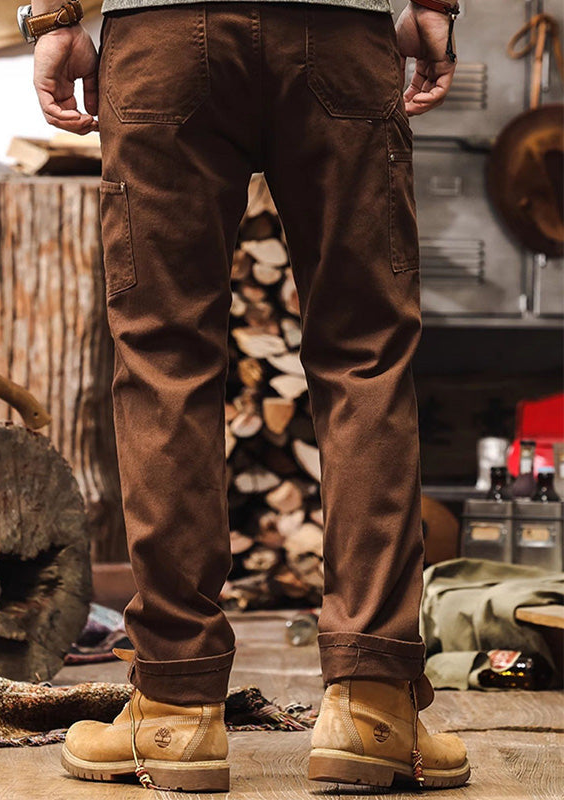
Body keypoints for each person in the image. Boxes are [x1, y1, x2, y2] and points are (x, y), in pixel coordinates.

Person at [24, 0, 470, 791]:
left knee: (165, 358)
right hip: (340, 32)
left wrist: (54, 18)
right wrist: (434, 7)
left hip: (161, 36)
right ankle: (372, 703)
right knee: (364, 357)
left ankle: (174, 709)